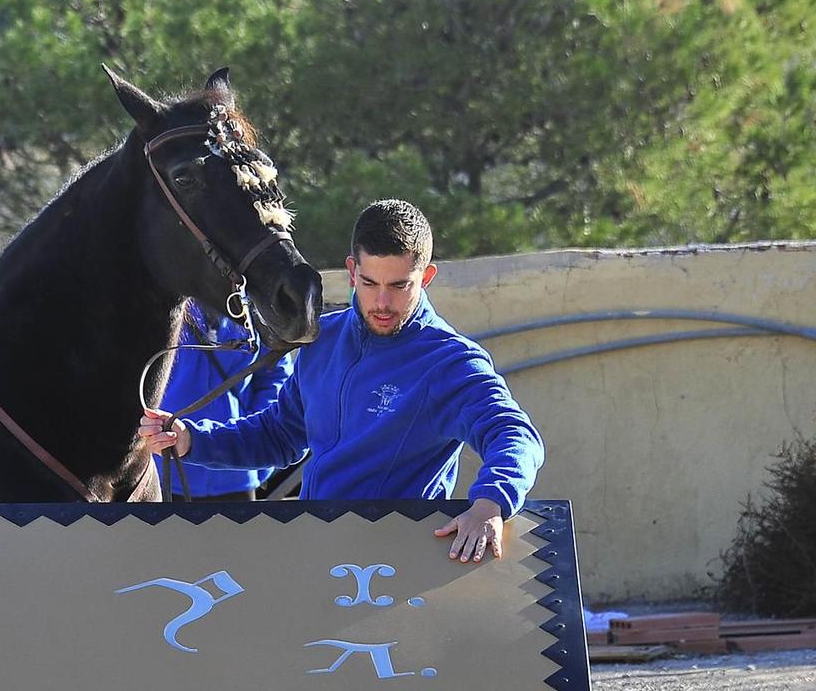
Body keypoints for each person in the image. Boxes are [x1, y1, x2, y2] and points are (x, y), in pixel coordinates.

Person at [139, 200, 543, 564]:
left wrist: (491, 503)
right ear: (352, 271)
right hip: (316, 552)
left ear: (427, 276)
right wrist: (193, 440)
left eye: (400, 286)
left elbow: (516, 435)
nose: (382, 303)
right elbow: (280, 435)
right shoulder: (322, 339)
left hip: (399, 566)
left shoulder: (451, 361)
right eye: (370, 284)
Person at [152, 299, 295, 501]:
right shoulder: (162, 306)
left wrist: (260, 445)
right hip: (166, 467)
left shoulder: (256, 307)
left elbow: (275, 376)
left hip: (237, 470)